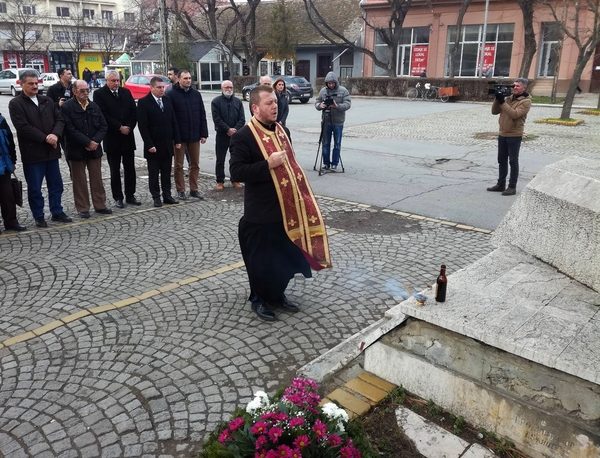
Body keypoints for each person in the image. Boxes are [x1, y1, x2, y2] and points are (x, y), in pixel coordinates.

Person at [230, 85, 332, 322]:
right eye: (269, 103)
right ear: (255, 108)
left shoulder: (282, 130)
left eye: (276, 101)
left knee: (284, 260)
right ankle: (259, 299)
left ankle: (277, 295)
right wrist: (268, 164)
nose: (275, 106)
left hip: (287, 211)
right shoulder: (243, 136)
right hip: (260, 213)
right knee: (261, 262)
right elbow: (236, 172)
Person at [8, 70, 72, 227]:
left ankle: (57, 211)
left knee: (56, 185)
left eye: (36, 83)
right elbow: (23, 127)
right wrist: (45, 138)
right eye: (31, 83)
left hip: (52, 151)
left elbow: (60, 119)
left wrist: (55, 135)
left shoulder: (47, 101)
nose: (35, 86)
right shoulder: (16, 103)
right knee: (35, 188)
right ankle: (39, 215)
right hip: (33, 154)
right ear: (21, 84)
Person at [61, 80, 111, 218]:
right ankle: (83, 208)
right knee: (79, 181)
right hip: (76, 149)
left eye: (87, 90)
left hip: (94, 149)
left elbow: (103, 126)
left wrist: (95, 141)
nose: (85, 93)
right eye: (82, 91)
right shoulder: (67, 107)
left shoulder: (94, 106)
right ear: (74, 91)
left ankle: (100, 205)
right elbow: (69, 129)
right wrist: (87, 142)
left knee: (97, 179)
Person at [93, 69, 140, 208]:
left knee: (130, 168)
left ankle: (130, 194)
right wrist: (119, 127)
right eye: (113, 81)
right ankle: (118, 197)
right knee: (115, 169)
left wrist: (129, 127)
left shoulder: (126, 92)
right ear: (107, 81)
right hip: (112, 137)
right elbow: (103, 115)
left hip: (128, 137)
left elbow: (133, 111)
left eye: (118, 80)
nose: (116, 83)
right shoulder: (99, 94)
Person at [137, 76, 182, 208]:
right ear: (152, 88)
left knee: (166, 172)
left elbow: (174, 121)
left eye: (163, 87)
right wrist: (149, 144)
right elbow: (143, 126)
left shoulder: (167, 100)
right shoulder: (144, 102)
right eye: (159, 87)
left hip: (167, 144)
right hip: (153, 146)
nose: (162, 90)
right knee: (154, 173)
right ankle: (156, 196)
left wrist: (177, 139)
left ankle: (167, 195)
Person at [167, 69, 208, 200]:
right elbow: (171, 119)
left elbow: (202, 114)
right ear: (178, 79)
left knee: (195, 164)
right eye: (185, 78)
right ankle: (181, 190)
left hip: (194, 136)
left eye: (189, 78)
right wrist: (175, 137)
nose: (188, 80)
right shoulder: (171, 94)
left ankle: (194, 189)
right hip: (179, 137)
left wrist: (203, 133)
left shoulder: (196, 94)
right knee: (178, 165)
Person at [487, 78, 532, 196]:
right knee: (501, 160)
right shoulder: (508, 98)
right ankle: (500, 184)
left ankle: (512, 186)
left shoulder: (526, 101)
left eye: (517, 86)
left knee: (513, 161)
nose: (514, 88)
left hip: (514, 135)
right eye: (514, 86)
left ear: (524, 88)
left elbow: (514, 114)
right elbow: (494, 111)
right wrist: (498, 99)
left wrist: (503, 102)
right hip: (502, 133)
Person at [211, 80, 245, 191]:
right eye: (226, 87)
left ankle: (235, 179)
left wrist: (235, 129)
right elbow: (217, 119)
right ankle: (220, 181)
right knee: (220, 159)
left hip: (236, 135)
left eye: (230, 87)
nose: (229, 89)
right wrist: (227, 129)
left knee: (235, 159)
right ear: (222, 88)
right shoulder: (216, 102)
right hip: (222, 134)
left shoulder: (238, 102)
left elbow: (242, 119)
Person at [315, 72, 351, 171]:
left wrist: (337, 106)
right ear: (326, 83)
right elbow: (317, 102)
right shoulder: (323, 91)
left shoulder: (343, 91)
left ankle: (334, 163)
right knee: (325, 143)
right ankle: (326, 163)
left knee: (337, 143)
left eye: (332, 83)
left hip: (338, 121)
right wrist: (319, 105)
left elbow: (348, 104)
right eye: (329, 83)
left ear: (336, 82)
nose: (331, 85)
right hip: (326, 121)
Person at [0, 113, 26, 232]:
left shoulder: (1, 119)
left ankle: (11, 222)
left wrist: (13, 160)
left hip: (4, 164)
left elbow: (10, 140)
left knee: (8, 195)